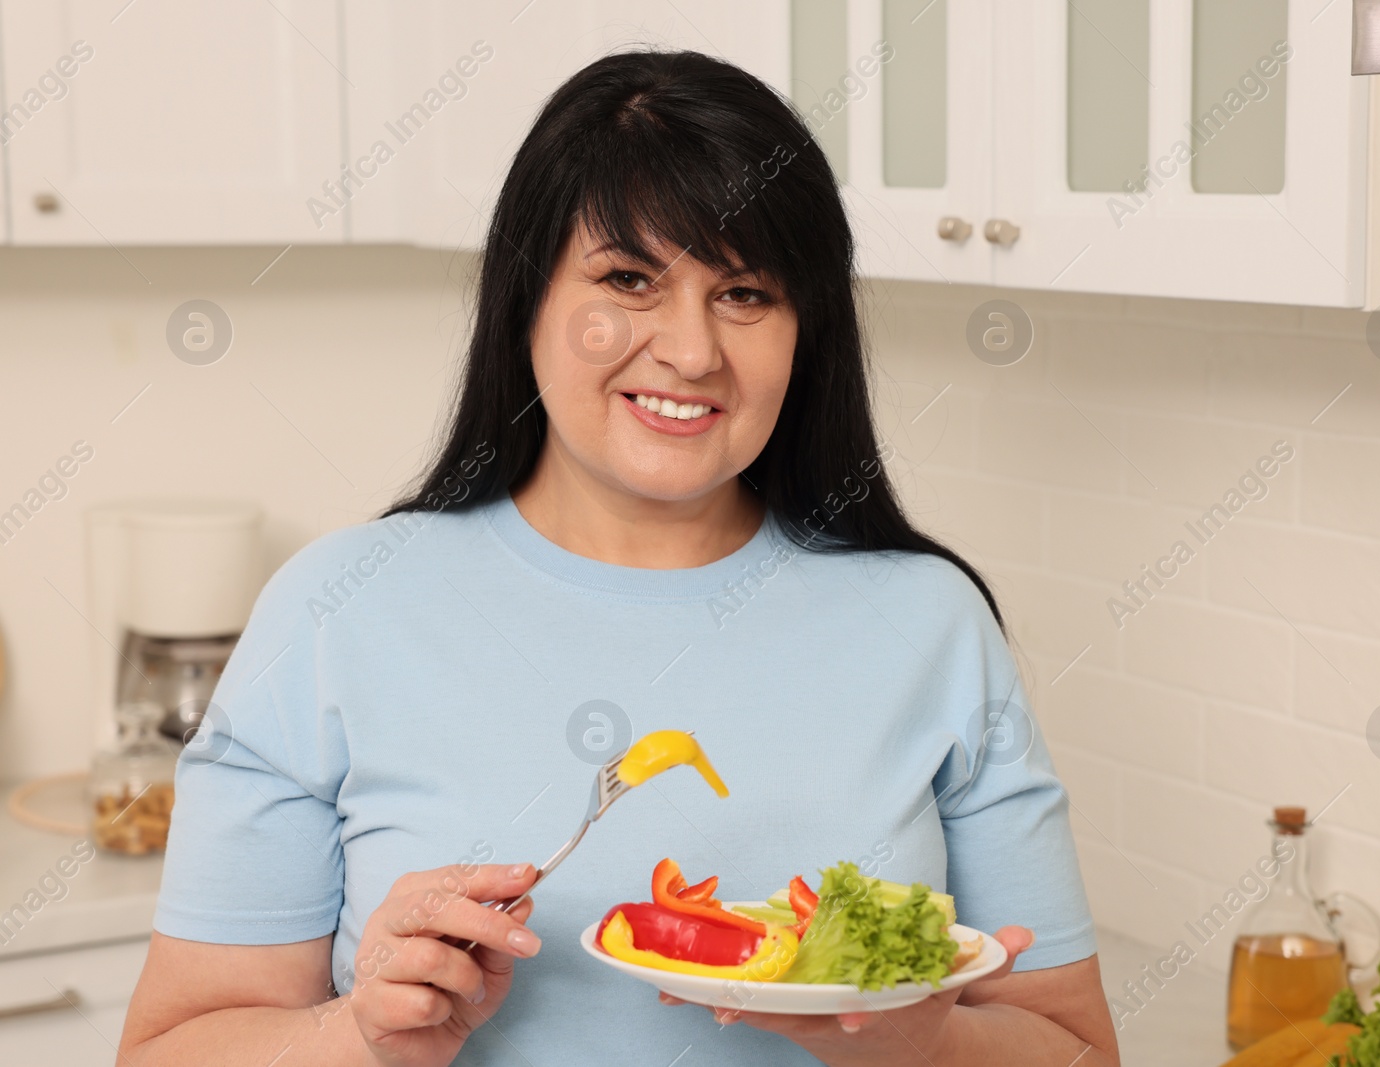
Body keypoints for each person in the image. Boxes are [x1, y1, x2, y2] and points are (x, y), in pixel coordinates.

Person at [120, 49, 1118, 1066]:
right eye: (629, 279)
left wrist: (923, 1042)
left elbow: (1077, 1049)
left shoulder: (931, 623)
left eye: (745, 293)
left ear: (804, 330)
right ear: (526, 300)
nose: (691, 351)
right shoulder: (337, 609)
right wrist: (363, 1033)